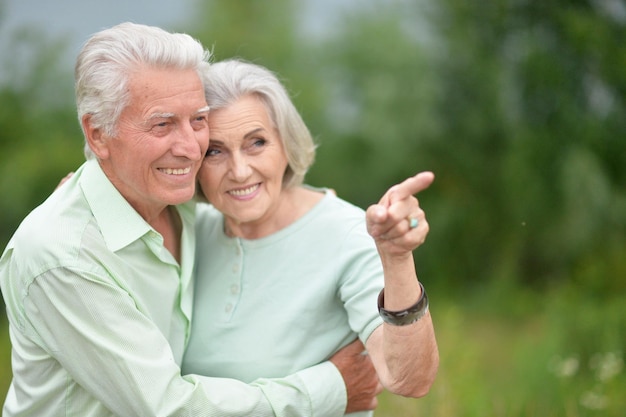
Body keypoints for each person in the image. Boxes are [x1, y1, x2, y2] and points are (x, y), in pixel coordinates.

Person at [0, 23, 382, 416]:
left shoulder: (179, 205)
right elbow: (168, 408)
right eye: (162, 124)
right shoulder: (62, 256)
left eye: (198, 120)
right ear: (98, 135)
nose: (190, 149)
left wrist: (334, 220)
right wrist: (331, 387)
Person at [182, 59, 440, 416]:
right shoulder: (188, 229)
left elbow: (410, 380)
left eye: (256, 143)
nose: (239, 171)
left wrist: (397, 258)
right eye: (215, 150)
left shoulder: (348, 234)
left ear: (286, 145)